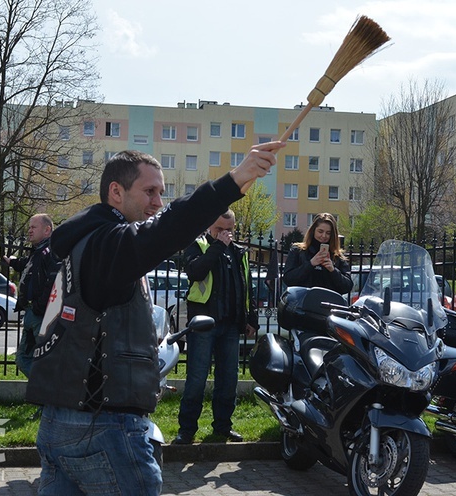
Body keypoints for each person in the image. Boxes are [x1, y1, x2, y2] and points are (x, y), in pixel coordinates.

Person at [24, 141, 285, 495]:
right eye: (149, 191)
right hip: (103, 428)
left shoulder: (83, 242)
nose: (158, 202)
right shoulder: (106, 244)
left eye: (162, 193)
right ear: (116, 192)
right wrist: (233, 180)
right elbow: (165, 231)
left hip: (60, 423)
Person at [173, 210, 258, 445]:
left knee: (228, 379)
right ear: (210, 226)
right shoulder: (198, 246)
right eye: (220, 229)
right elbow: (195, 272)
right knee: (197, 378)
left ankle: (223, 427)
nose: (225, 234)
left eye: (229, 229)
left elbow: (246, 287)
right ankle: (187, 429)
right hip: (203, 324)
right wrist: (217, 246)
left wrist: (250, 319)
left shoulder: (238, 252)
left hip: (230, 324)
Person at [2, 213, 61, 377]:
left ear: (47, 230)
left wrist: (39, 307)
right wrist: (13, 262)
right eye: (29, 227)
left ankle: (49, 397)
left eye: (33, 227)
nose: (29, 230)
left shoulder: (51, 252)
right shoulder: (38, 252)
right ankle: (45, 394)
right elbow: (29, 266)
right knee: (22, 359)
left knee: (44, 359)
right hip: (31, 313)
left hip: (40, 316)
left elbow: (54, 281)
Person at [282, 212, 352, 296]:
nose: (324, 236)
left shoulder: (337, 256)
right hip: (302, 303)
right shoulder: (298, 251)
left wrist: (333, 270)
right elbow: (288, 279)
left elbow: (347, 286)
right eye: (320, 231)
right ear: (313, 231)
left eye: (328, 233)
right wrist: (310, 264)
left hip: (328, 304)